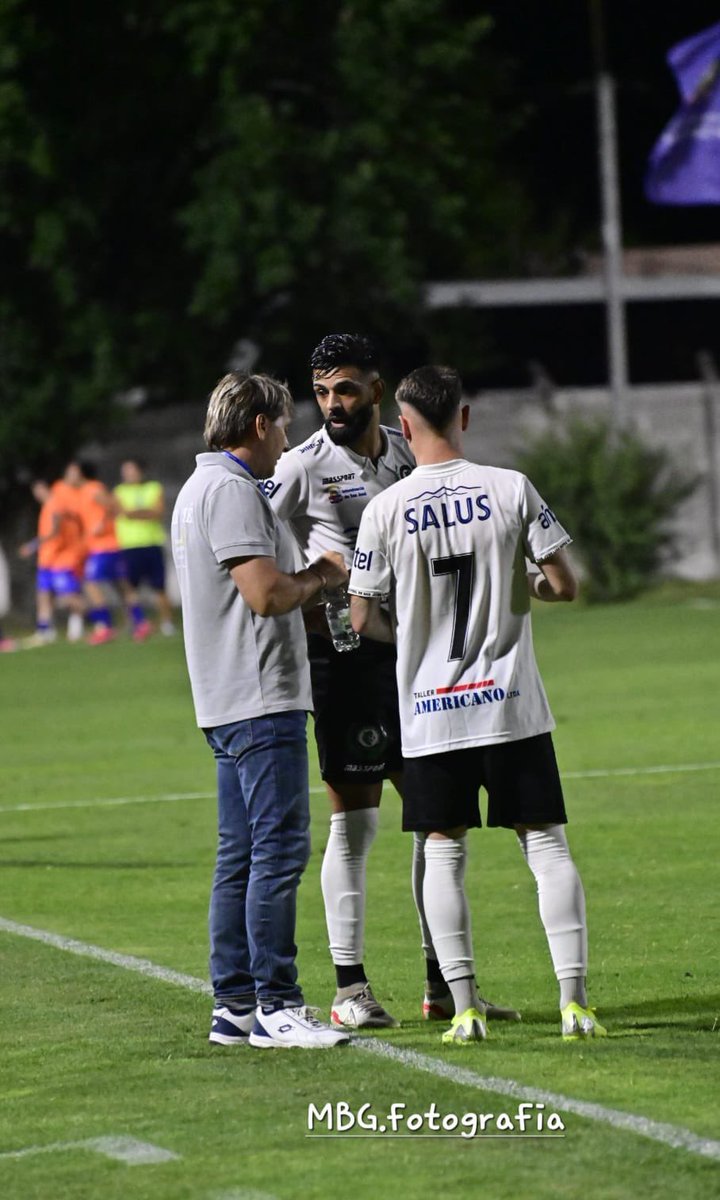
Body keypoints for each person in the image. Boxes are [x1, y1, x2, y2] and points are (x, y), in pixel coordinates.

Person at [262, 334, 518, 1030]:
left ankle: (444, 985)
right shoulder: (303, 465)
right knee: (356, 821)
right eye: (320, 392)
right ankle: (350, 989)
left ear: (377, 390)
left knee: (436, 816)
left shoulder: (407, 455)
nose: (332, 404)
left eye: (344, 389)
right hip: (347, 663)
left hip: (414, 658)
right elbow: (257, 531)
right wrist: (302, 596)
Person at [348, 365, 606, 1044]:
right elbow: (563, 584)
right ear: (463, 417)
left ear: (404, 426)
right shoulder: (510, 488)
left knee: (443, 852)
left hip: (432, 710)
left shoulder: (384, 509)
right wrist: (522, 587)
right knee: (546, 845)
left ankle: (462, 1008)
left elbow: (358, 618)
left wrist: (412, 635)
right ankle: (574, 1002)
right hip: (511, 704)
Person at [171, 370, 350, 1049]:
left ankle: (235, 1007)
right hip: (258, 696)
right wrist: (328, 574)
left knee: (240, 857)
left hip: (224, 696)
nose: (289, 437)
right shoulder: (233, 490)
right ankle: (278, 1002)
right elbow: (267, 595)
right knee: (277, 853)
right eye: (284, 423)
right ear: (258, 425)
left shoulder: (196, 490)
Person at [72, 462, 150, 645]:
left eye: (72, 471)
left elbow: (112, 505)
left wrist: (102, 522)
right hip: (106, 546)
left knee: (91, 584)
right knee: (122, 585)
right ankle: (141, 622)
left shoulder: (92, 489)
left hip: (104, 546)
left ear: (81, 473)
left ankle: (105, 626)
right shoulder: (84, 492)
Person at [18, 480, 85, 645]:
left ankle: (95, 620)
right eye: (36, 490)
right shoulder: (47, 507)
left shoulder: (55, 504)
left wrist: (33, 545)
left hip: (60, 558)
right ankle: (44, 630)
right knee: (43, 597)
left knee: (69, 596)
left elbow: (54, 531)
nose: (38, 493)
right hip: (46, 559)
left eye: (40, 488)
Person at [114, 458, 175, 636]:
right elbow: (120, 511)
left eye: (131, 470)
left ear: (140, 471)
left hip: (151, 543)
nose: (128, 474)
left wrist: (132, 513)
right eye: (125, 471)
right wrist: (145, 512)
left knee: (159, 587)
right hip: (129, 545)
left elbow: (158, 512)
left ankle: (167, 623)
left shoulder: (153, 488)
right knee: (129, 587)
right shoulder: (119, 491)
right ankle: (135, 622)